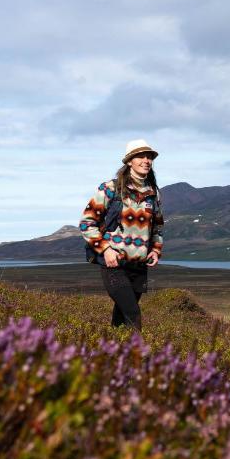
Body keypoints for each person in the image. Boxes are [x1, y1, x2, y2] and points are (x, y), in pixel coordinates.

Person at [79, 139, 164, 330]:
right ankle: (136, 358)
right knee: (133, 314)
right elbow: (87, 223)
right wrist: (106, 250)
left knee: (121, 317)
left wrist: (156, 250)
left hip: (139, 266)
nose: (146, 160)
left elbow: (157, 228)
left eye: (149, 156)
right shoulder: (110, 189)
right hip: (114, 264)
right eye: (140, 156)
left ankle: (109, 354)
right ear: (129, 161)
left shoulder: (153, 194)